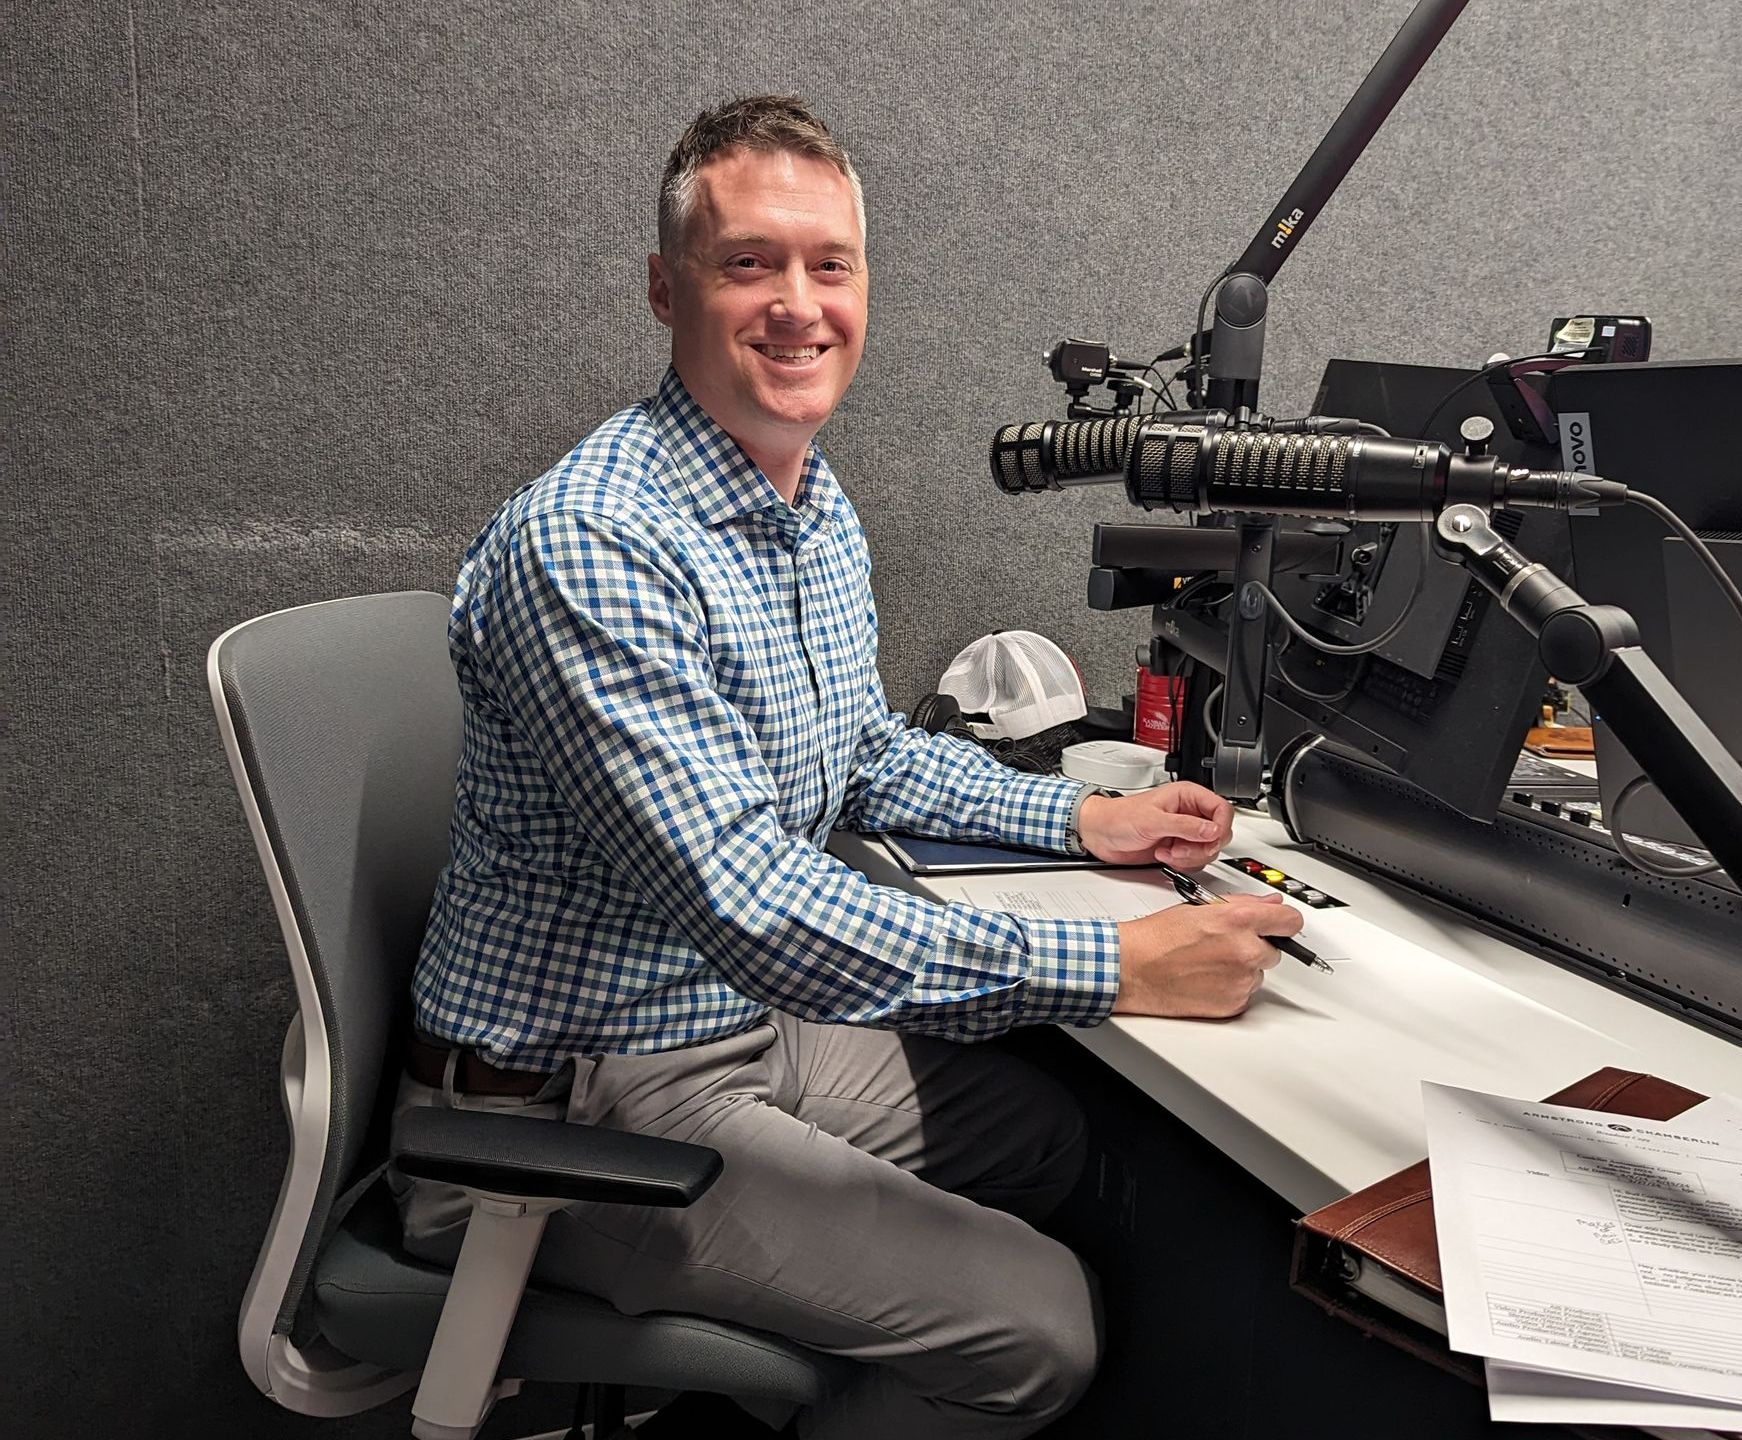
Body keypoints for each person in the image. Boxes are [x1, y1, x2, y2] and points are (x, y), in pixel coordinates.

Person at [393, 94, 1303, 1439]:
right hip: (570, 1109)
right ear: (665, 290)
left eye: (831, 265)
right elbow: (751, 903)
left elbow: (864, 753)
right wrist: (1114, 965)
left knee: (1058, 1143)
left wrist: (1082, 816)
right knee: (1040, 1331)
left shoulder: (809, 505)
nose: (798, 304)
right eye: (747, 263)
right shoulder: (595, 543)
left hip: (732, 1031)